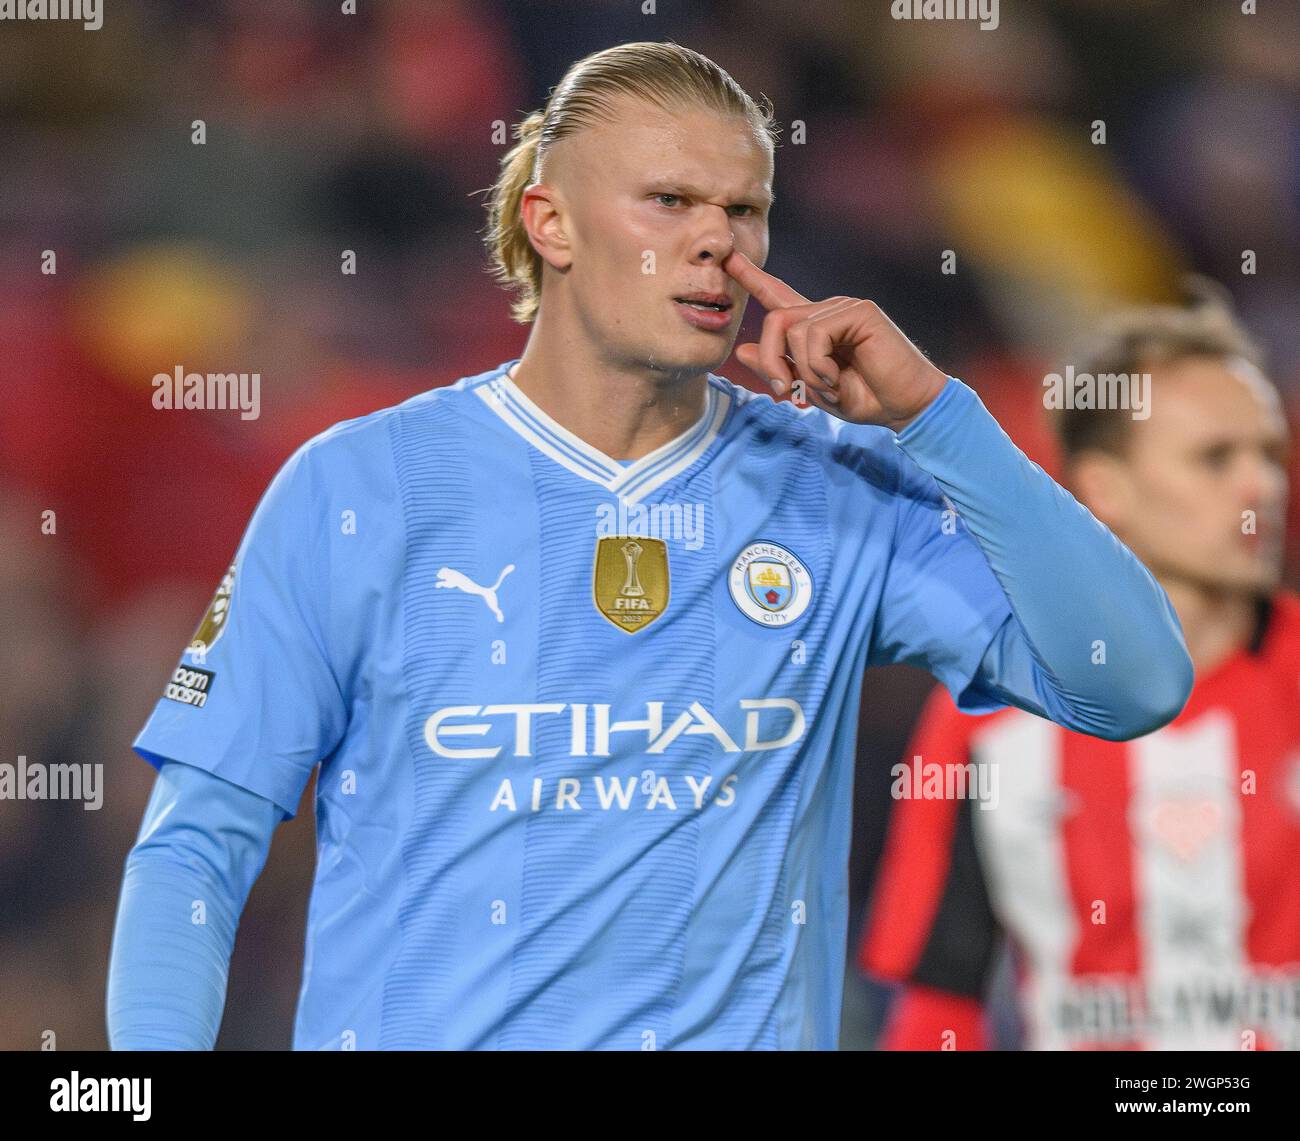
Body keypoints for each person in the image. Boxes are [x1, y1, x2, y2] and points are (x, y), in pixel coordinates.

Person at [106, 41, 1191, 1051]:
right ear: (552, 224)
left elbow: (1128, 682)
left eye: (745, 208)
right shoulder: (359, 488)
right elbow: (197, 846)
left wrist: (940, 422)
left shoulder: (835, 488)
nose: (719, 239)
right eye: (670, 201)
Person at [858, 286, 1299, 1050]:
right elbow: (939, 1004)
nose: (1263, 487)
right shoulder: (988, 713)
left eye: (1270, 453)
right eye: (1216, 457)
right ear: (1104, 491)